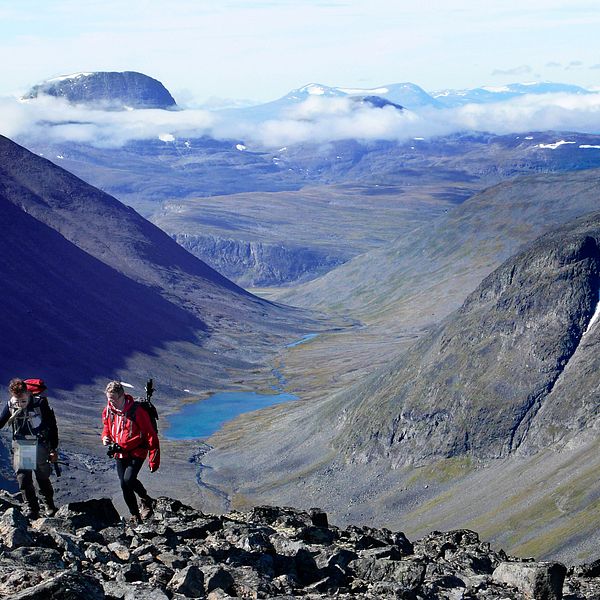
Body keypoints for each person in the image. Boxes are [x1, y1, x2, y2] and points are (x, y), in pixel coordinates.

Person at [101, 380, 159, 523]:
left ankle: (145, 499)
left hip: (137, 451)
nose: (111, 402)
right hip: (119, 452)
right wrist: (105, 437)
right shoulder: (109, 410)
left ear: (122, 396)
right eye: (109, 399)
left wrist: (153, 459)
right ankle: (135, 515)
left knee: (128, 479)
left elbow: (150, 435)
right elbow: (106, 427)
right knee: (123, 484)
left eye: (113, 399)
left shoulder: (137, 411)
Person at [0, 378, 59, 518]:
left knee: (41, 476)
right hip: (23, 445)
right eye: (17, 398)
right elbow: (1, 421)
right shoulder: (11, 405)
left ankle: (48, 505)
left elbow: (51, 426)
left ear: (28, 392)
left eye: (22, 397)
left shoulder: (40, 404)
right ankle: (32, 507)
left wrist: (53, 448)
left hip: (39, 444)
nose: (20, 401)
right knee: (24, 476)